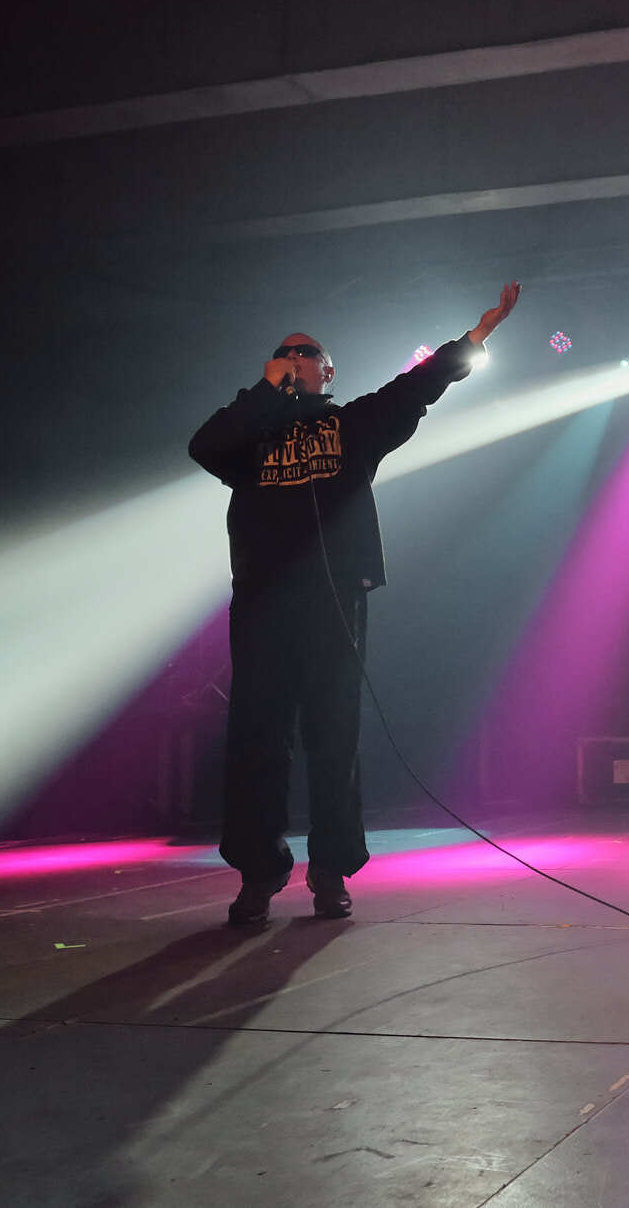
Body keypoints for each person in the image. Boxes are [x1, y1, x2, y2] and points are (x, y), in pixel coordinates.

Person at [189, 283, 521, 926]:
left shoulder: (351, 425)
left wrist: (477, 336)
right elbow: (203, 446)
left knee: (333, 738)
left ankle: (331, 871)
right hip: (261, 604)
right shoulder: (251, 438)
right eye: (283, 352)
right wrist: (265, 394)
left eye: (306, 352)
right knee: (258, 741)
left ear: (328, 370)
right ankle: (258, 876)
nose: (293, 358)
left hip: (334, 601)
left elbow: (415, 388)